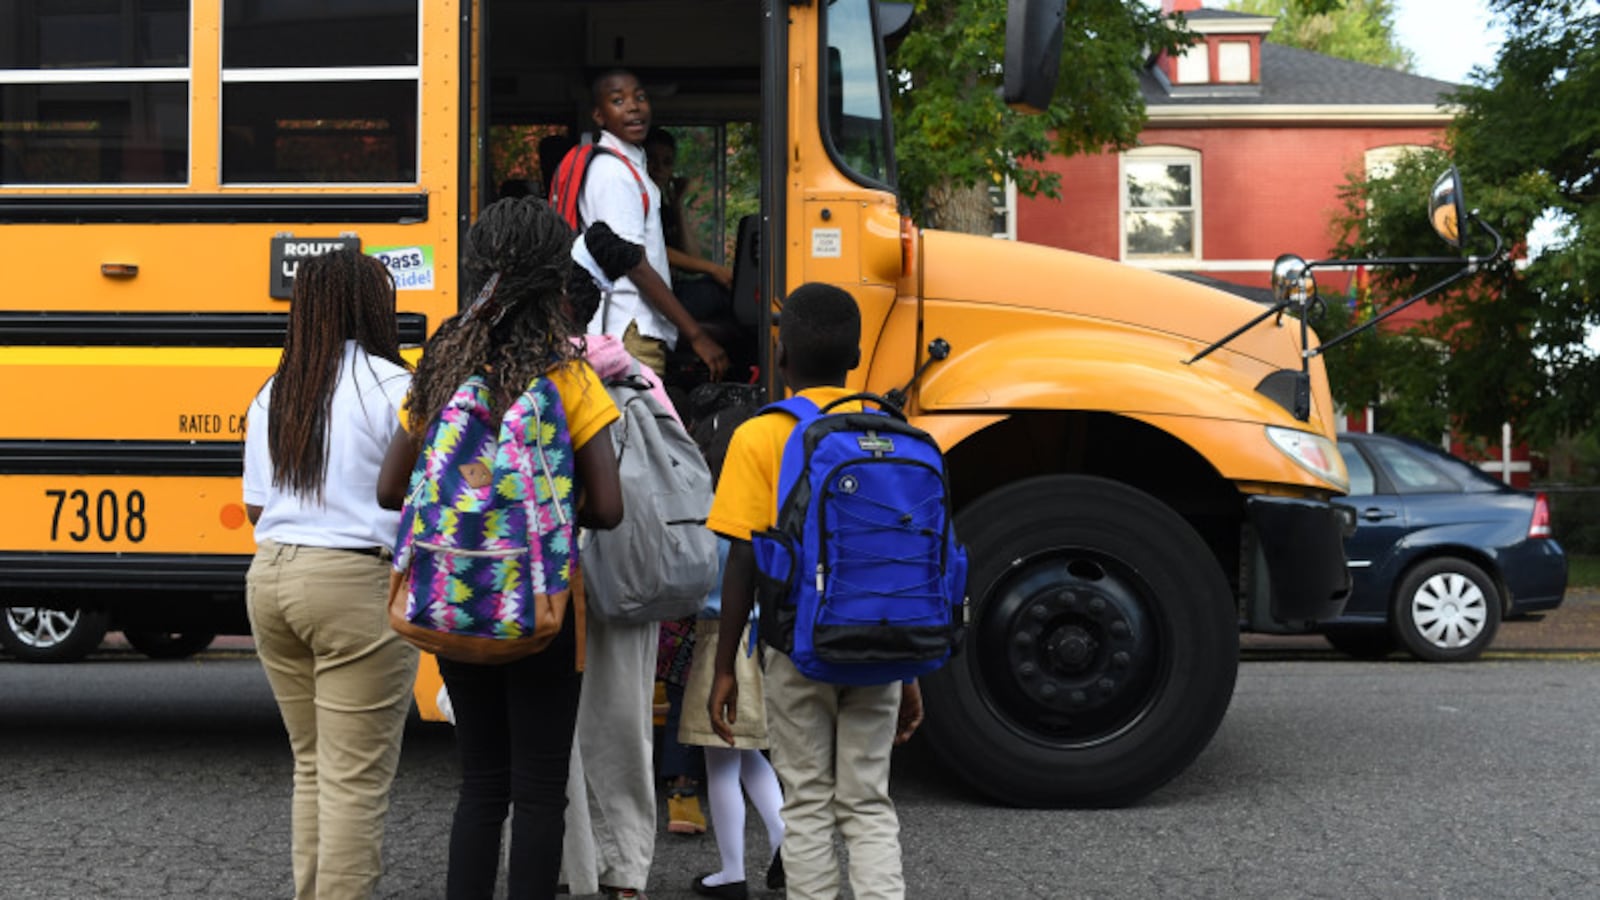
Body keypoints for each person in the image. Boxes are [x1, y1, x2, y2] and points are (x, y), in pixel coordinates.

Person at [376, 197, 624, 900]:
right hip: (542, 608)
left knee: (480, 785)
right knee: (541, 790)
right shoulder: (569, 377)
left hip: (453, 602)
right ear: (554, 281)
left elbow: (392, 491)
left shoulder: (439, 369)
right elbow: (609, 507)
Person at [706, 283, 924, 900]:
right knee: (868, 802)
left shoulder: (761, 436)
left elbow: (743, 557)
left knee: (805, 803)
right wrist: (911, 671)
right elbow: (899, 564)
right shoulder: (891, 435)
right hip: (882, 645)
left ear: (782, 356)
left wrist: (725, 668)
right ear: (855, 358)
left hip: (796, 646)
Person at [242, 247, 419, 900]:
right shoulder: (396, 388)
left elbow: (258, 503)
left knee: (313, 767)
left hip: (271, 579)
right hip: (353, 581)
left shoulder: (275, 390)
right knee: (355, 778)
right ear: (375, 306)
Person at [558, 220, 682, 900]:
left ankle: (569, 865)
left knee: (557, 731)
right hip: (634, 571)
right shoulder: (636, 374)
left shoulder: (543, 374)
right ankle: (628, 868)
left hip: (558, 574)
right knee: (626, 720)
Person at [677, 404, 786, 900]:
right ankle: (785, 843)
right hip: (761, 638)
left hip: (719, 640)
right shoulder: (765, 504)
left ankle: (732, 872)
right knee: (751, 756)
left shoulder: (710, 510)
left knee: (719, 760)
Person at [579, 68, 728, 383]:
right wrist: (696, 334)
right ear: (598, 115)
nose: (633, 106)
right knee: (635, 428)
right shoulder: (614, 173)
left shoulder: (632, 169)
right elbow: (633, 263)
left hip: (636, 327)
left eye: (640, 97)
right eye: (618, 100)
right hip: (629, 330)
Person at [643, 126, 734, 323]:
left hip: (672, 288)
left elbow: (692, 259)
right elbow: (653, 250)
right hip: (650, 296)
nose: (659, 168)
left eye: (666, 162)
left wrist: (678, 207)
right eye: (651, 159)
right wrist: (714, 268)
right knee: (719, 294)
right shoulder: (635, 203)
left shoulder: (663, 211)